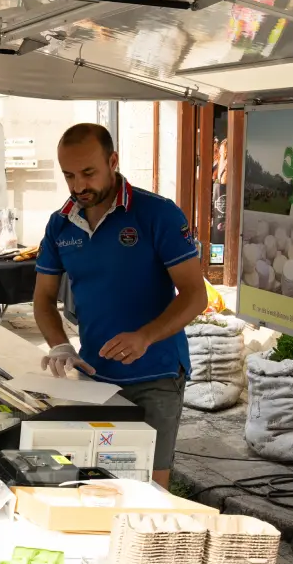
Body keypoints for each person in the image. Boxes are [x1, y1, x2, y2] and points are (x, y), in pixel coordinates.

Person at [32, 123, 206, 489]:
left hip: (155, 376)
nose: (79, 186)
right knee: (95, 484)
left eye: (89, 173)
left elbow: (195, 295)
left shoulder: (157, 214)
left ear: (113, 161)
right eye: (69, 175)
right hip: (94, 378)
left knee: (149, 488)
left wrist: (145, 336)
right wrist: (60, 345)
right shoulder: (60, 224)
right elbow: (43, 299)